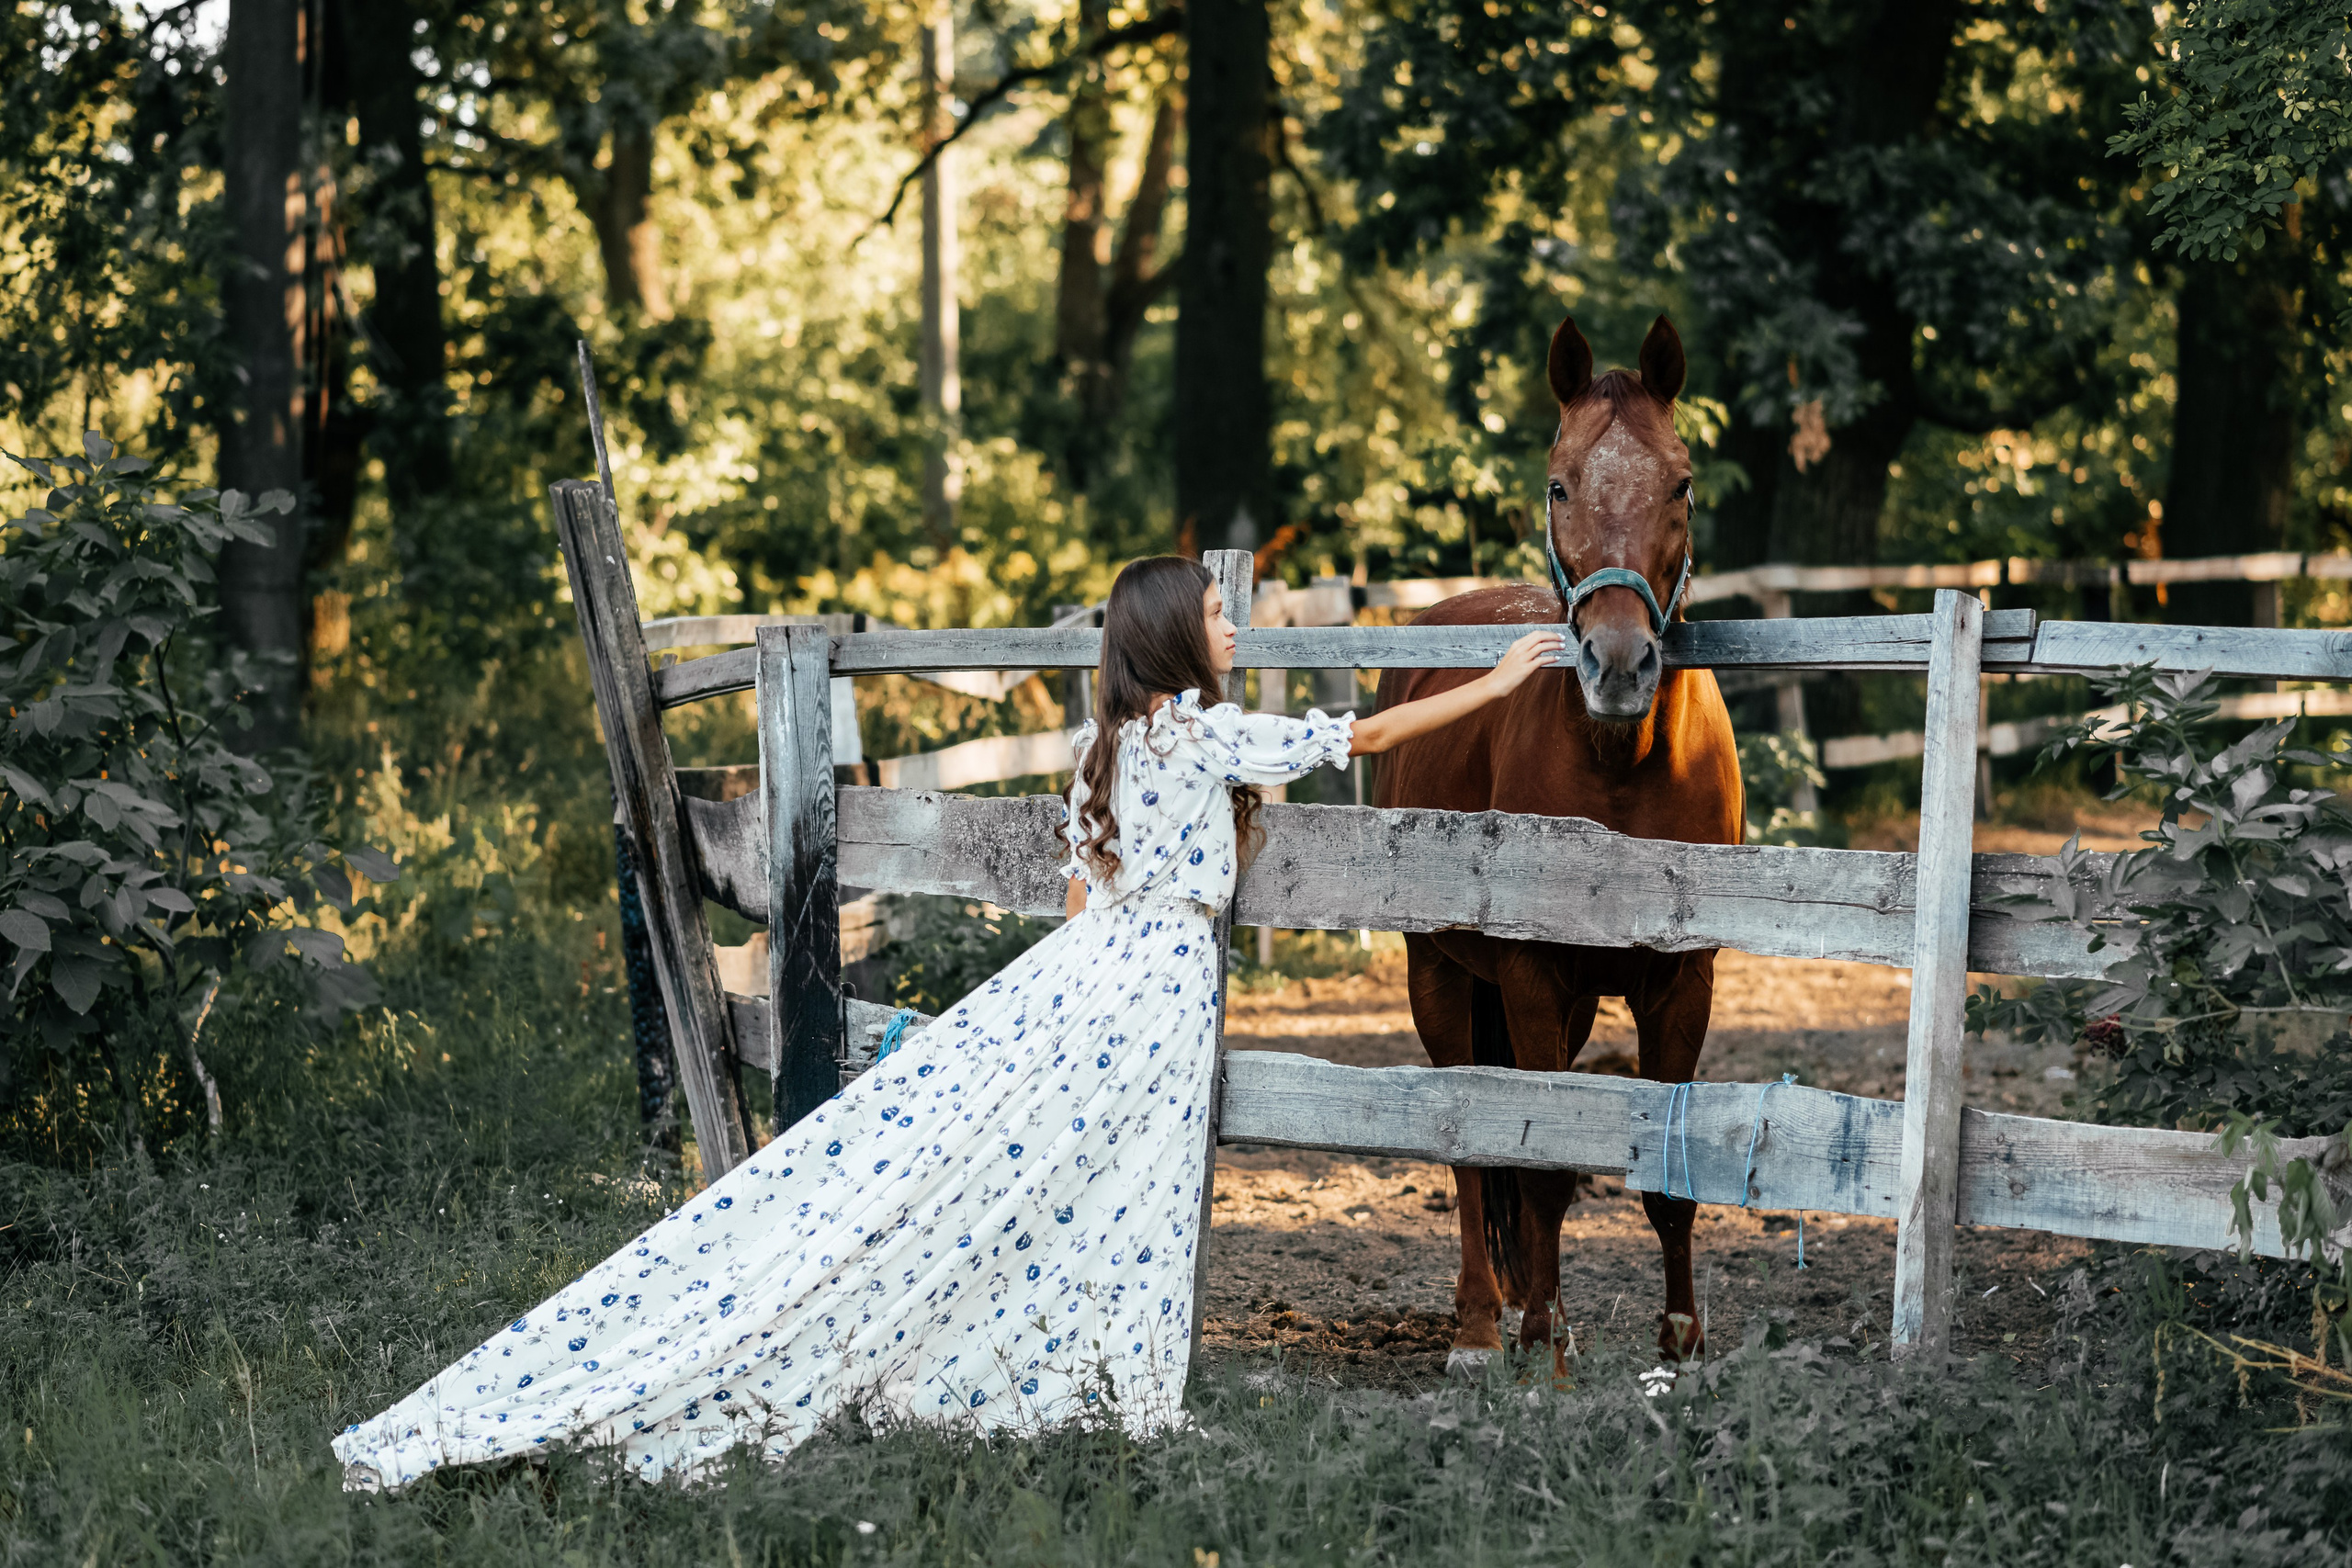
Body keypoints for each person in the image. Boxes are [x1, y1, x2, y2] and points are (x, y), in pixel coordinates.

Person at [333, 555, 1563, 1490]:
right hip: (1153, 989)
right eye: (1219, 611)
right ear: (1177, 637)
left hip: (1098, 972)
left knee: (1021, 1172)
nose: (1234, 625)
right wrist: (1501, 678)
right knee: (1123, 1183)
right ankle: (1094, 1376)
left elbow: (1089, 890)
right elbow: (1359, 734)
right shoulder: (1195, 731)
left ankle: (1063, 1354)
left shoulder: (1119, 741)